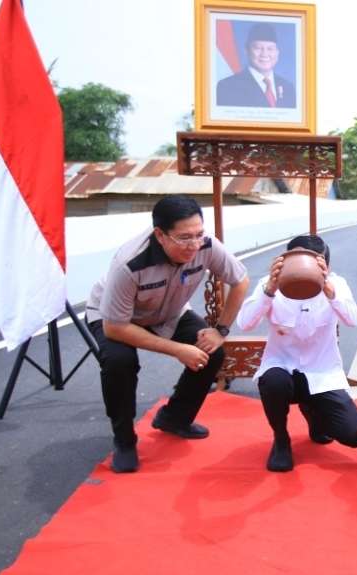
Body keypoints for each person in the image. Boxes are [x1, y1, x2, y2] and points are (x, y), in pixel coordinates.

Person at [86, 195, 250, 473]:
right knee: (119, 363)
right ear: (160, 235)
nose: (194, 245)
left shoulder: (206, 244)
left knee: (213, 352)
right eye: (185, 238)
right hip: (115, 317)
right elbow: (115, 327)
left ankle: (174, 418)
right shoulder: (129, 263)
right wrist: (177, 350)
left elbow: (240, 281)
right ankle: (124, 441)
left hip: (169, 313)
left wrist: (220, 330)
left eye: (199, 234)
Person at [236, 234, 357, 472]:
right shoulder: (269, 284)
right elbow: (244, 323)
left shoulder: (335, 285)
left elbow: (353, 319)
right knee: (273, 381)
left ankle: (315, 417)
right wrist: (269, 291)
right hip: (283, 370)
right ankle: (281, 439)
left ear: (326, 267)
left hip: (321, 375)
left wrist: (329, 290)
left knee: (355, 435)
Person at [216, 23, 296, 108]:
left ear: (277, 53)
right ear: (247, 51)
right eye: (258, 48)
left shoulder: (288, 88)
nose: (264, 54)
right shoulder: (228, 87)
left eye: (270, 49)